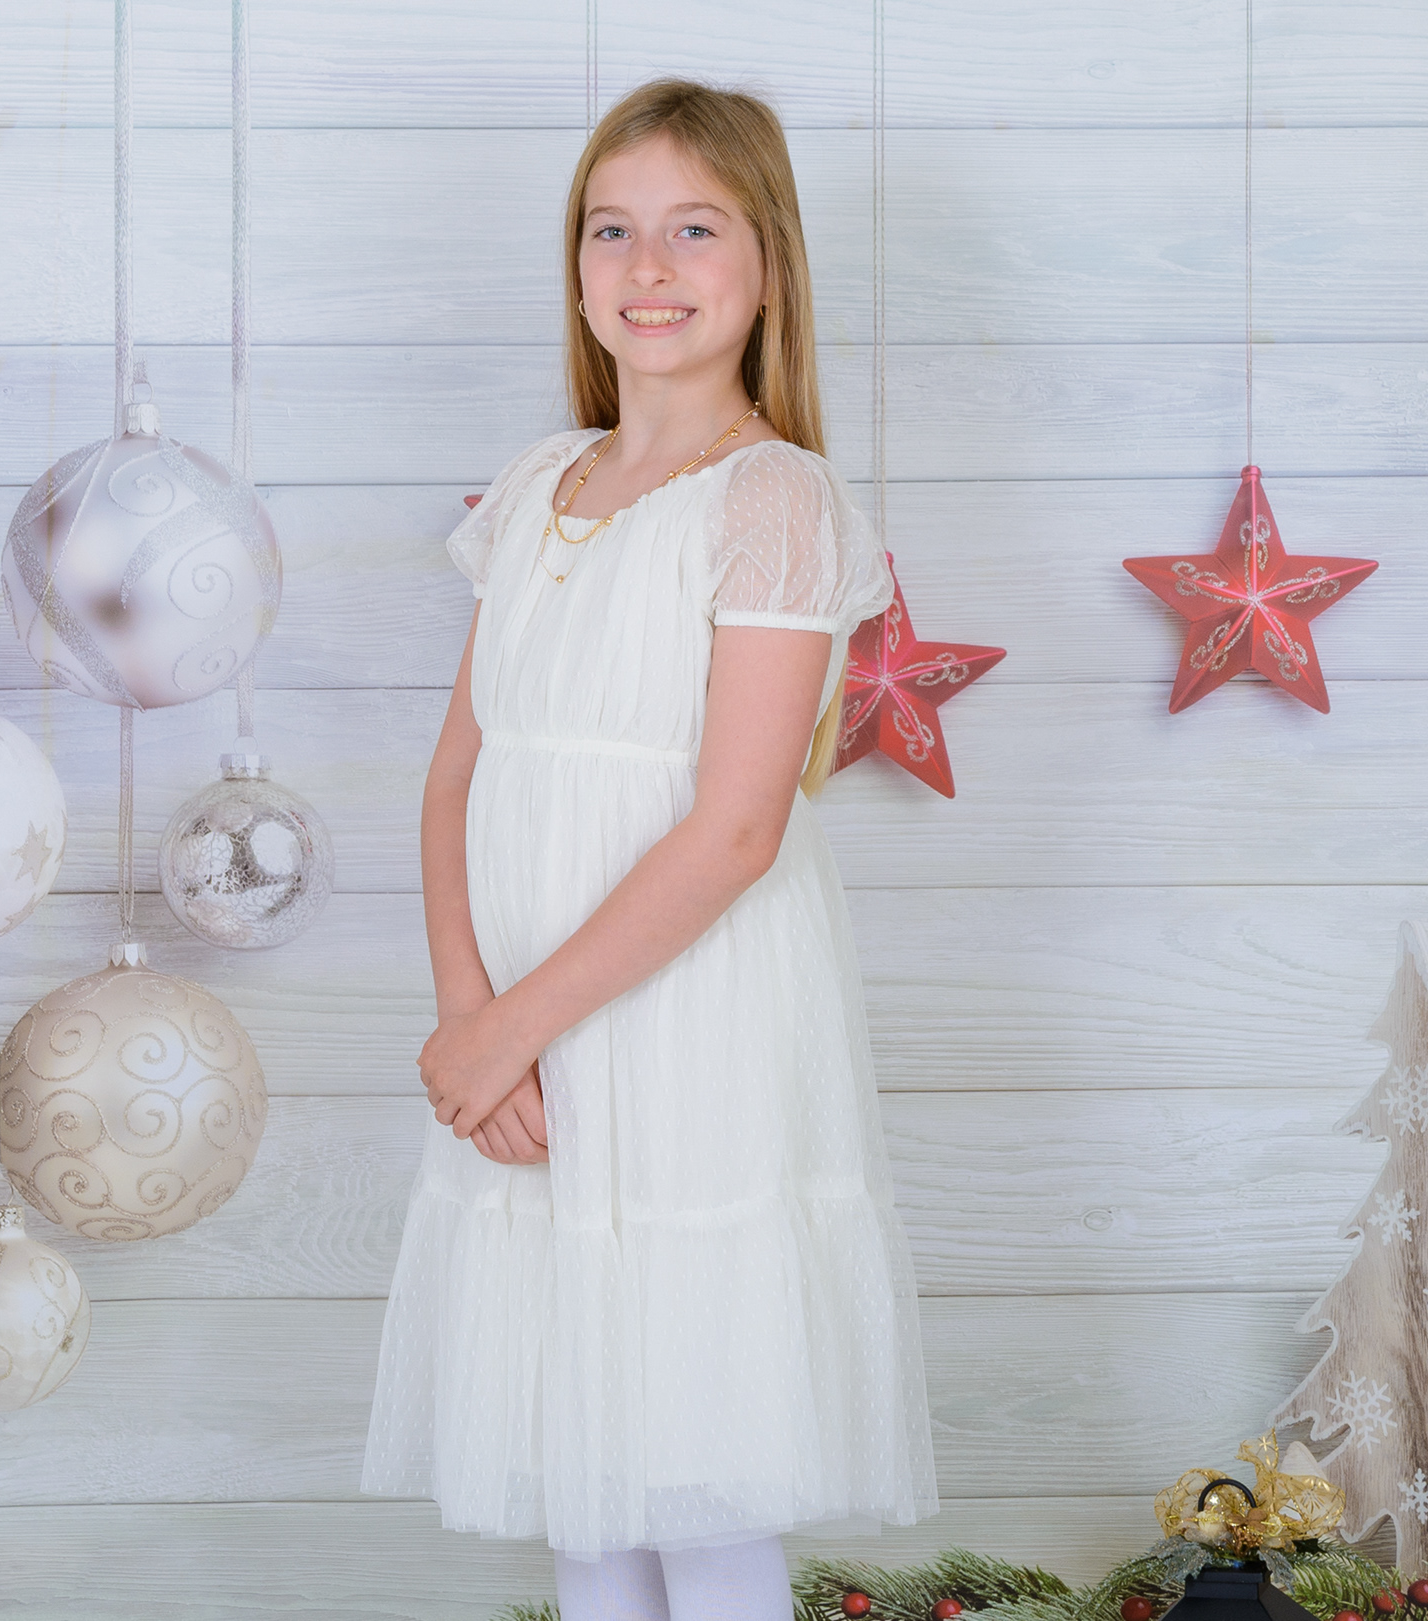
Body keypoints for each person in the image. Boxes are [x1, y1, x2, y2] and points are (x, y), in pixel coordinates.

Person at [360, 77, 940, 1620]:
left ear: (768, 266)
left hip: (683, 1024)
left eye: (695, 228)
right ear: (576, 268)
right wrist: (471, 1019)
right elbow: (457, 773)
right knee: (583, 1457)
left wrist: (515, 1025)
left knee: (692, 1464)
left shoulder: (775, 499)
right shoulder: (540, 487)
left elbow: (739, 828)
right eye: (611, 230)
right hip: (523, 1033)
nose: (648, 265)